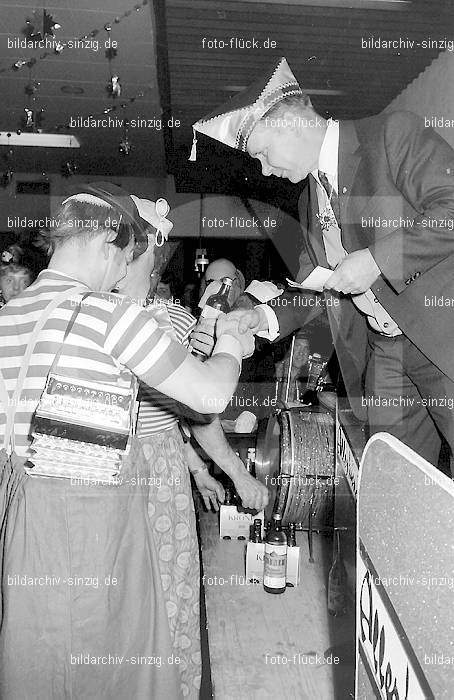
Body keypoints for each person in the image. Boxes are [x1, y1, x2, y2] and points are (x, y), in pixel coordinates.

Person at [0, 182, 254, 698]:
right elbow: (208, 396)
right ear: (106, 240)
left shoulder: (10, 315)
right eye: (129, 255)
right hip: (91, 519)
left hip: (20, 514)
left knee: (43, 660)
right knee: (112, 668)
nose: (126, 271)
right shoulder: (106, 315)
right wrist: (230, 341)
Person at [189, 56, 454, 469]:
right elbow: (318, 287)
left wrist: (378, 260)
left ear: (292, 122)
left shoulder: (390, 134)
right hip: (385, 355)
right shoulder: (309, 199)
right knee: (396, 495)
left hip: (440, 339)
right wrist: (261, 318)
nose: (263, 169)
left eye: (261, 152)